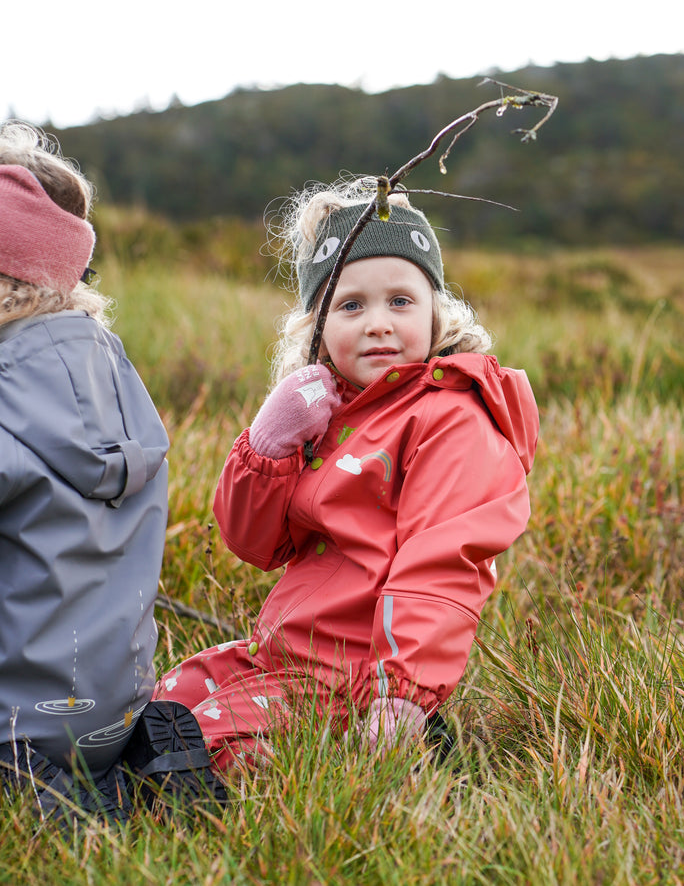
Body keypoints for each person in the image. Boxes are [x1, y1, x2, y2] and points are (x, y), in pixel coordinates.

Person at [154, 179, 539, 772]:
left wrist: (400, 697)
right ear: (318, 326)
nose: (378, 324)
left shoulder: (450, 417)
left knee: (207, 750)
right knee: (165, 705)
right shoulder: (330, 411)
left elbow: (441, 566)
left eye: (401, 301)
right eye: (351, 305)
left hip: (357, 677)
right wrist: (270, 446)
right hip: (284, 653)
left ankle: (375, 764)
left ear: (438, 310)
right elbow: (255, 544)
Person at [0, 121, 223, 825]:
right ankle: (136, 771)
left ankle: (45, 800)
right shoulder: (113, 371)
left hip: (17, 724)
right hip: (113, 717)